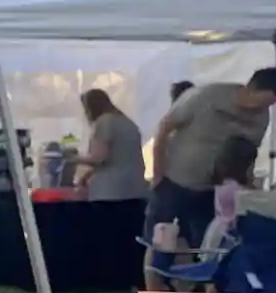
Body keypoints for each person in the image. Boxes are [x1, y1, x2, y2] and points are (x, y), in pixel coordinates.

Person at [148, 70, 276, 248]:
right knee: (160, 243)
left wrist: (246, 185)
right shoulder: (207, 96)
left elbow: (249, 153)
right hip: (174, 183)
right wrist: (158, 173)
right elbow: (164, 128)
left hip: (214, 193)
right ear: (252, 88)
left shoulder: (262, 118)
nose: (264, 108)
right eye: (266, 101)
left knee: (206, 248)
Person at [75, 89, 146, 202]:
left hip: (110, 192)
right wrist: (88, 175)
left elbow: (99, 158)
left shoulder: (103, 122)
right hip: (136, 189)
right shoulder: (127, 122)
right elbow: (119, 158)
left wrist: (73, 158)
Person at [200, 135, 262, 256]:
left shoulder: (224, 182)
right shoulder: (235, 190)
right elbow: (252, 201)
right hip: (228, 236)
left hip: (219, 231)